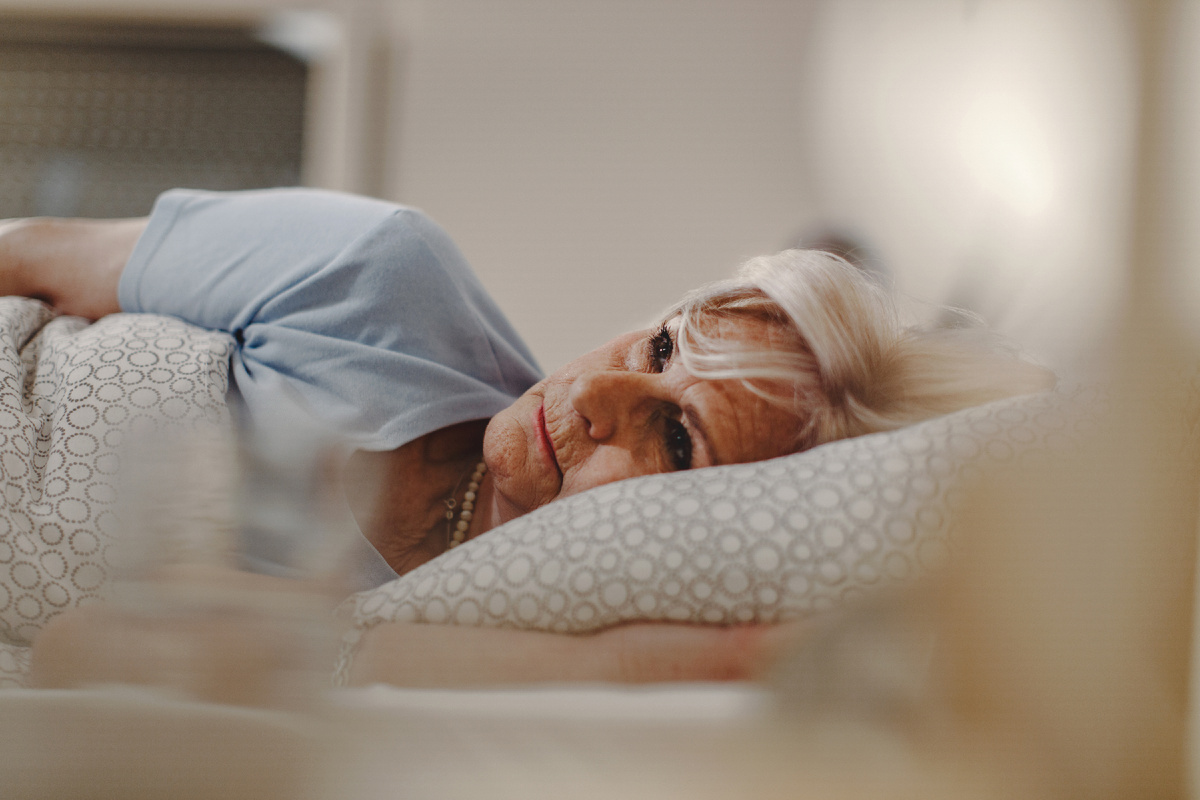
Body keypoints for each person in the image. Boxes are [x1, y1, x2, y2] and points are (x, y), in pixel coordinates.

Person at [2, 188, 1052, 692]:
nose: (594, 393)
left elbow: (78, 651)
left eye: (676, 438)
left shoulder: (463, 619)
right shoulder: (381, 276)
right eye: (658, 346)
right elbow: (31, 252)